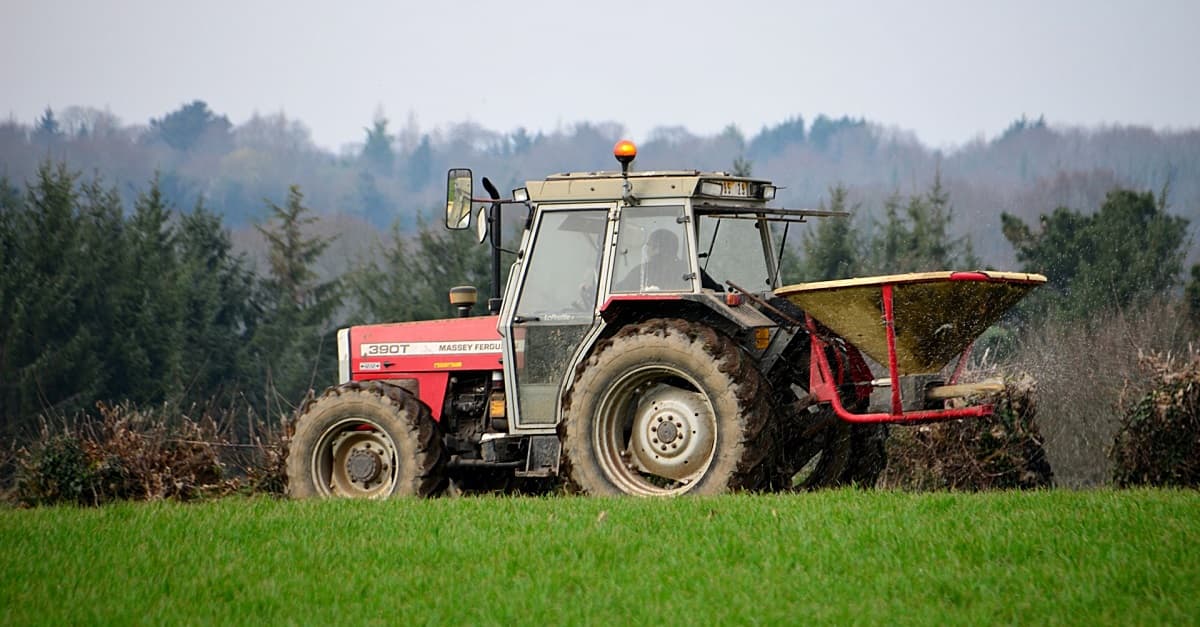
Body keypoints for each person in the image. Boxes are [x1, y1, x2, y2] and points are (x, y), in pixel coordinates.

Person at [615, 228, 688, 292]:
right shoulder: (690, 270)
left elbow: (619, 291)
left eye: (649, 245)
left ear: (656, 248)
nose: (647, 249)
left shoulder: (641, 271)